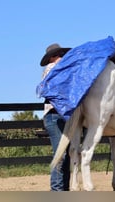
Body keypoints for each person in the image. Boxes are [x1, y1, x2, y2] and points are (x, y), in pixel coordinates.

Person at [40, 43, 71, 191]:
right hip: (54, 115)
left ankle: (64, 189)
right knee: (60, 156)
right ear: (52, 57)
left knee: (67, 155)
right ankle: (57, 191)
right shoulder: (51, 68)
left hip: (61, 116)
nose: (62, 58)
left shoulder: (60, 69)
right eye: (59, 55)